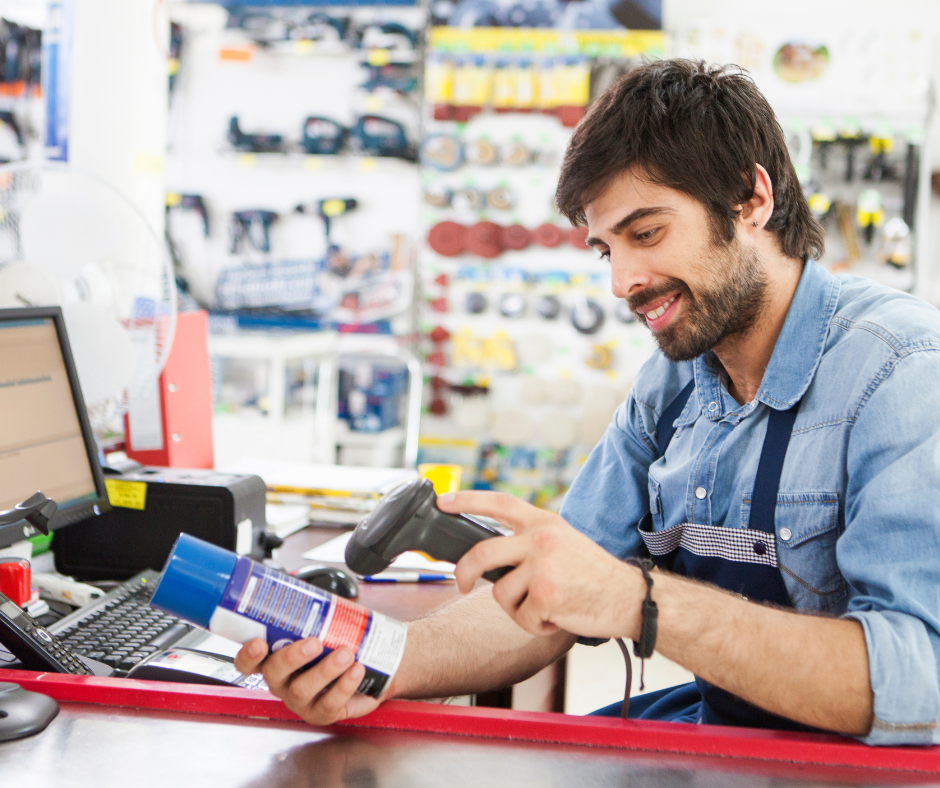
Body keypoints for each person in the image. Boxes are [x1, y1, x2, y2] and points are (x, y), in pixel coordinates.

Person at [235, 60, 940, 745]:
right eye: (606, 250)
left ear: (752, 200)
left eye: (647, 232)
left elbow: (922, 683)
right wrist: (375, 662)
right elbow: (549, 600)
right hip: (728, 741)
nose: (623, 281)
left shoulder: (900, 374)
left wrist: (637, 600)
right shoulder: (673, 387)